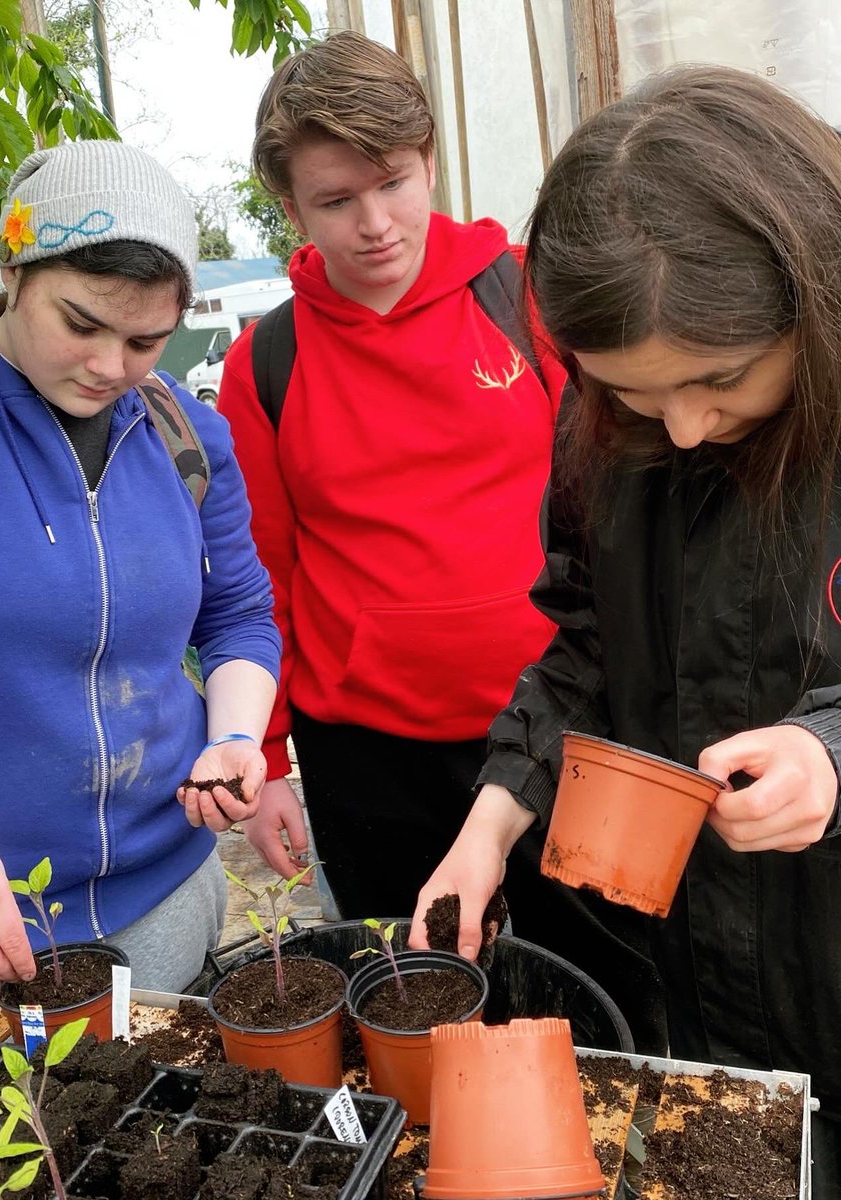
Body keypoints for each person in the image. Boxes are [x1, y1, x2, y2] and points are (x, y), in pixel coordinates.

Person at [411, 63, 841, 1183]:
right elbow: (585, 649)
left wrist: (829, 755)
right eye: (638, 395)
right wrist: (489, 827)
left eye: (722, 378)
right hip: (699, 981)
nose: (687, 429)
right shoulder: (603, 428)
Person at [217, 31, 665, 1048]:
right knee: (417, 1004)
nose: (375, 224)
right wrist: (271, 756)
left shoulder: (527, 299)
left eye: (395, 183)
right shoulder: (268, 361)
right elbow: (264, 576)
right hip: (371, 761)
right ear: (291, 207)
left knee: (595, 1001)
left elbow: (620, 518)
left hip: (560, 736)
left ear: (431, 162)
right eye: (336, 201)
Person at [0, 139, 281, 993]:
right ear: (17, 270)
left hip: (166, 906)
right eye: (81, 324)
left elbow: (238, 613)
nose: (110, 368)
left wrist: (236, 736)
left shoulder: (186, 437)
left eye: (147, 340)